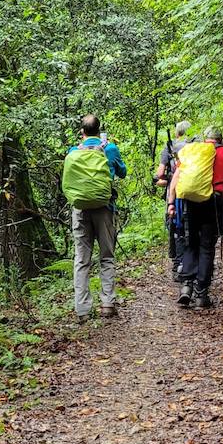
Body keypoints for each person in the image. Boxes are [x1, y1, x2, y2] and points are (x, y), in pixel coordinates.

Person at [166, 126, 223, 310]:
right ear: (220, 139)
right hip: (213, 202)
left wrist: (171, 203)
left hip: (190, 202)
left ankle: (186, 286)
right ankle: (201, 293)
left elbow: (176, 178)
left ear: (206, 139)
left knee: (191, 241)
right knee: (207, 246)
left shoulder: (194, 152)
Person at [65, 114, 127, 322]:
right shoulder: (109, 149)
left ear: (82, 132)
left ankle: (82, 309)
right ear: (99, 130)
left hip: (80, 210)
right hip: (105, 208)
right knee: (107, 256)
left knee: (82, 259)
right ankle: (108, 303)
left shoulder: (74, 152)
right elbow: (123, 172)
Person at [154, 121, 191, 269]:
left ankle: (177, 263)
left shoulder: (169, 148)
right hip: (193, 191)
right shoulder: (194, 147)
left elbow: (160, 173)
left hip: (174, 194)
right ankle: (190, 261)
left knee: (175, 226)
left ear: (177, 133)